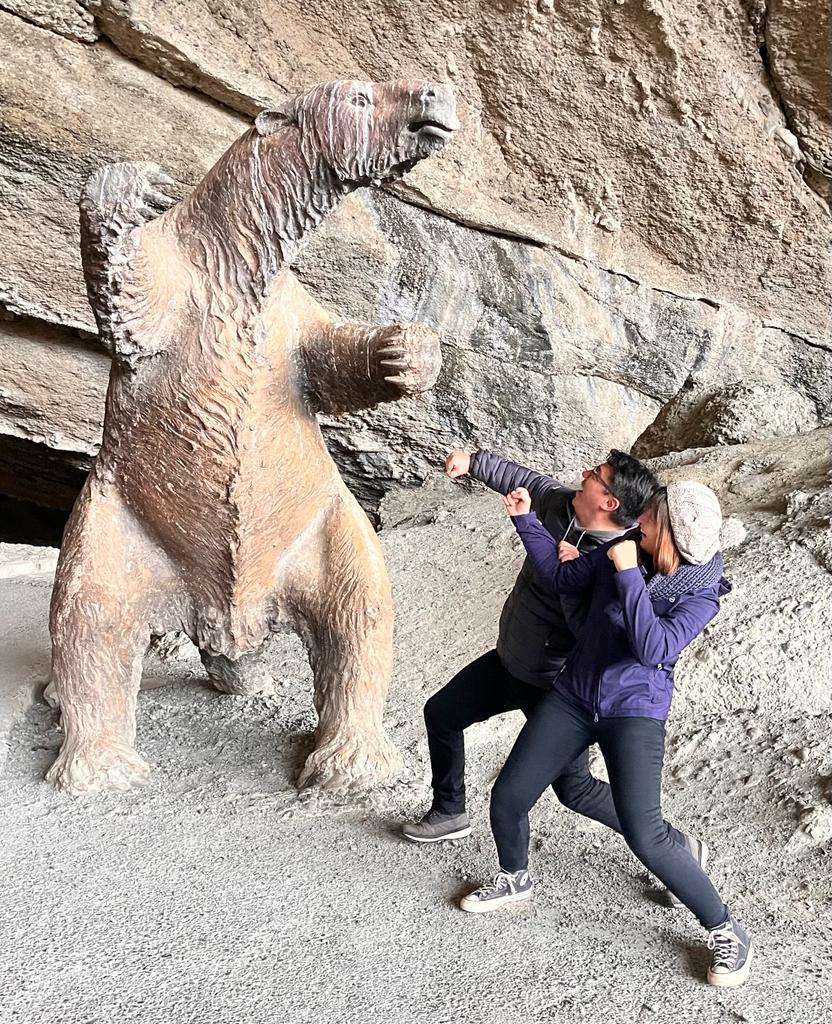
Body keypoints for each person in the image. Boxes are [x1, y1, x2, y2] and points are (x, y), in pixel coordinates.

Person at [460, 481, 752, 989]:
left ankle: (727, 930)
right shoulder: (627, 544)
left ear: (669, 529)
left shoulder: (701, 592)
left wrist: (625, 576)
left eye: (653, 514)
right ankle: (515, 878)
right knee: (509, 796)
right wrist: (526, 521)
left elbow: (651, 646)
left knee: (647, 834)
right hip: (575, 694)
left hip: (634, 708)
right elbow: (560, 577)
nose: (643, 517)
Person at [402, 449, 690, 864]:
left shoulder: (620, 561)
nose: (583, 474)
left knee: (575, 789)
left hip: (558, 688)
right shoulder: (564, 505)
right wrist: (472, 461)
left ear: (609, 502)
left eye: (595, 474)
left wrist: (568, 580)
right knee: (443, 713)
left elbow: (596, 633)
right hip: (511, 660)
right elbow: (526, 480)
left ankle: (675, 847)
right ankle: (449, 811)